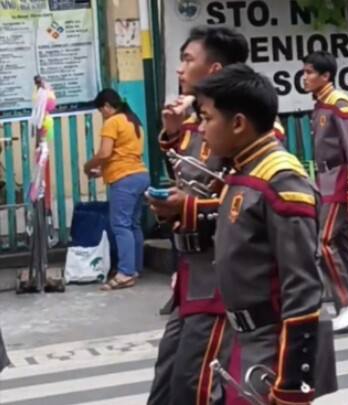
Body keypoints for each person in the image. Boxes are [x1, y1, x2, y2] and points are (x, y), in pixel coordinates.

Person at [195, 63, 326, 405]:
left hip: (269, 348)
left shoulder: (280, 179)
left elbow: (303, 287)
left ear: (238, 123)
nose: (200, 127)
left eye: (207, 118)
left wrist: (292, 383)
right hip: (238, 339)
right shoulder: (244, 169)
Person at [145, 26, 247, 405]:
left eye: (188, 60)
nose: (180, 70)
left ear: (215, 69)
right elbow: (191, 180)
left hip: (221, 276)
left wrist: (184, 207)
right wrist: (173, 135)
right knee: (166, 383)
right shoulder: (200, 124)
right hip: (191, 276)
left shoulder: (244, 125)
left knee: (197, 386)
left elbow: (245, 202)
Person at [303, 51, 348, 332]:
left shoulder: (338, 104)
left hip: (340, 180)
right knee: (341, 243)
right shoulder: (321, 104)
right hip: (326, 179)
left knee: (325, 242)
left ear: (326, 75)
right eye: (304, 72)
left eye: (309, 72)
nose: (305, 77)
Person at [84, 88, 150, 291]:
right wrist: (103, 172)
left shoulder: (113, 121)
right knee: (133, 225)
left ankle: (125, 274)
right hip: (140, 175)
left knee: (121, 225)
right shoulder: (134, 120)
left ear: (106, 106)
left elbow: (105, 153)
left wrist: (88, 166)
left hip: (125, 178)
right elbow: (124, 154)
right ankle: (134, 268)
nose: (101, 115)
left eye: (100, 110)